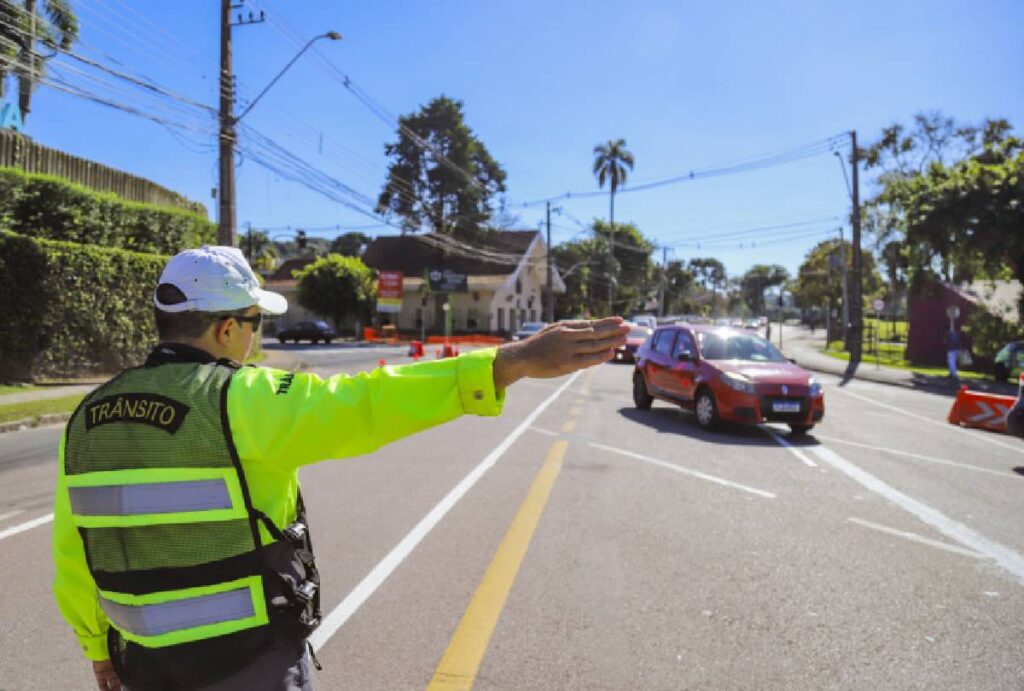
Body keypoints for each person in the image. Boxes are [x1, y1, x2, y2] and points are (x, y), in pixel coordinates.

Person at [52, 246, 628, 691]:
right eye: (255, 322)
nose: (257, 337)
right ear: (226, 329)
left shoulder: (85, 417)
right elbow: (367, 402)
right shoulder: (239, 398)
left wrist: (96, 648)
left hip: (142, 665)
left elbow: (74, 553)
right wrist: (511, 362)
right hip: (247, 664)